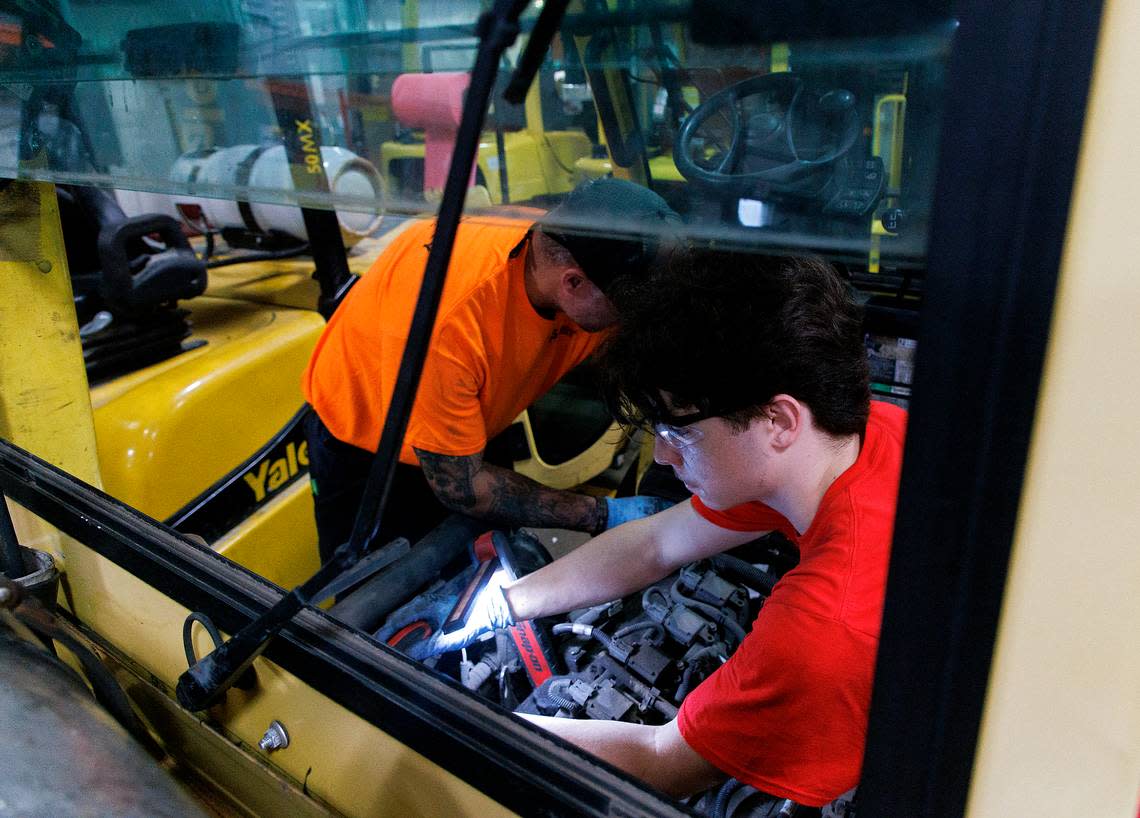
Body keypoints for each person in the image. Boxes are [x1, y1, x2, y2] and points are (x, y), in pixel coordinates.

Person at [421, 248, 907, 808]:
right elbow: (655, 544)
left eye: (681, 432)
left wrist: (455, 713)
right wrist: (508, 603)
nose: (662, 458)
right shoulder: (856, 438)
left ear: (778, 420)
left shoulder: (820, 629)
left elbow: (660, 760)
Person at [301, 178, 679, 564]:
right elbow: (466, 488)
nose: (634, 317)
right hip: (375, 456)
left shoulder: (563, 244)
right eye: (628, 306)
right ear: (573, 284)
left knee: (491, 564)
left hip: (471, 421)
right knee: (391, 603)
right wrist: (599, 514)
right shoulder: (450, 328)